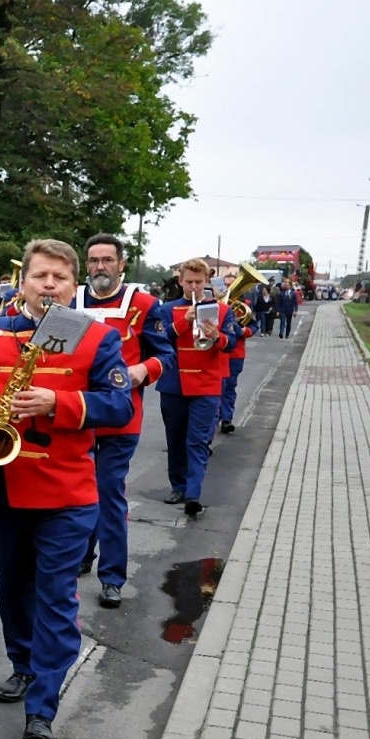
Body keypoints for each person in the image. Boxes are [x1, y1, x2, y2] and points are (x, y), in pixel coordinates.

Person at [0, 239, 131, 739]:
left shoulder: (97, 338)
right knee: (13, 586)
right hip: (5, 487)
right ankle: (22, 664)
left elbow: (119, 407)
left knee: (55, 598)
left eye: (59, 277)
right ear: (22, 282)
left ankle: (43, 706)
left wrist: (58, 401)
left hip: (67, 494)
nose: (49, 285)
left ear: (73, 286)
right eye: (40, 276)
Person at [73, 235, 173, 610]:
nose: (100, 266)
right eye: (94, 260)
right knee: (77, 491)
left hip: (120, 419)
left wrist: (141, 371)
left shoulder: (145, 305)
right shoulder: (71, 302)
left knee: (108, 492)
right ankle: (83, 553)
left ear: (121, 264)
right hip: (77, 415)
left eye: (107, 260)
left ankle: (112, 577)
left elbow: (166, 355)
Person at [155, 258, 238, 519]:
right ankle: (178, 486)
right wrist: (183, 323)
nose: (193, 287)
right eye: (188, 282)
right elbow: (158, 339)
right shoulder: (167, 309)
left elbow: (231, 343)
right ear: (180, 282)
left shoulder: (222, 311)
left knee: (198, 441)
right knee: (175, 439)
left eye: (198, 282)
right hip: (173, 383)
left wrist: (216, 336)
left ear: (206, 282)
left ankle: (193, 493)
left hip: (207, 384)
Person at [219, 301, 254, 434]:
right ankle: (214, 419)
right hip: (218, 352)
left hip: (235, 354)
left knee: (229, 387)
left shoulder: (243, 305)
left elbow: (253, 325)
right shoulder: (214, 305)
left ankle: (226, 419)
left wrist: (246, 331)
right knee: (217, 387)